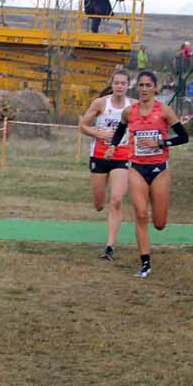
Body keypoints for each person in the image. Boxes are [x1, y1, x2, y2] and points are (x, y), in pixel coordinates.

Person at [106, 70, 189, 278]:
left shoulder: (164, 111)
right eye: (141, 85)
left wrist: (160, 142)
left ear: (155, 88)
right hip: (136, 167)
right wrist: (113, 146)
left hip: (159, 169)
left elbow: (183, 136)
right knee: (141, 214)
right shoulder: (129, 112)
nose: (144, 89)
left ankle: (158, 206)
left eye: (148, 85)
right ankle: (145, 263)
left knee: (159, 223)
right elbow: (119, 131)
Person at [80, 70, 133, 262]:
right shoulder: (101, 103)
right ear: (112, 85)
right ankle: (100, 205)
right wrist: (99, 134)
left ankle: (109, 246)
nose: (119, 86)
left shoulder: (133, 106)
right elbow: (83, 126)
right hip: (99, 155)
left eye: (123, 83)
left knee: (117, 199)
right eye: (116, 83)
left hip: (122, 155)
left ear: (128, 86)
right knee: (99, 204)